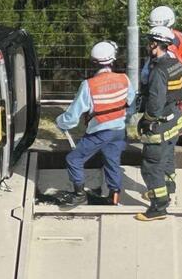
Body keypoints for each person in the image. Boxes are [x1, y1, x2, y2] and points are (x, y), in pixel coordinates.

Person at [55, 41, 135, 206]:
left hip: (99, 132)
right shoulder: (124, 79)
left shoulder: (89, 85)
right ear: (112, 60)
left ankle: (79, 195)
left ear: (93, 62)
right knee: (112, 161)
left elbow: (72, 116)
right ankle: (114, 196)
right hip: (119, 130)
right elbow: (131, 104)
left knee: (74, 159)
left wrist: (61, 122)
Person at [135, 26, 182, 221]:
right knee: (167, 158)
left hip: (160, 123)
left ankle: (158, 206)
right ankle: (168, 188)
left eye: (150, 42)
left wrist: (146, 120)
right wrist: (177, 99)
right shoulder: (175, 63)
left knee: (151, 165)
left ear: (155, 44)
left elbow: (155, 104)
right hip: (175, 119)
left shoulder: (158, 70)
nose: (148, 45)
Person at [144, 6, 182, 146]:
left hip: (169, 86)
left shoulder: (166, 47)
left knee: (166, 121)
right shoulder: (178, 35)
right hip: (179, 79)